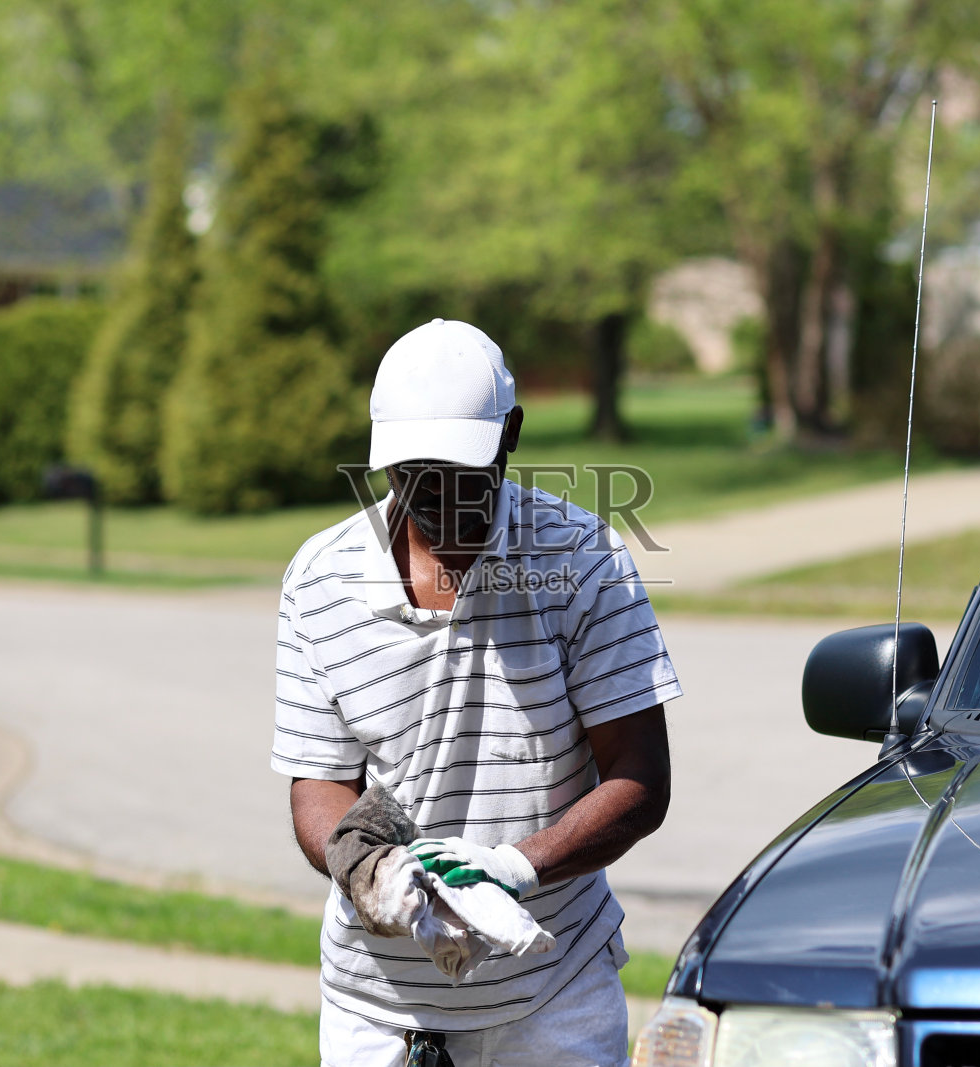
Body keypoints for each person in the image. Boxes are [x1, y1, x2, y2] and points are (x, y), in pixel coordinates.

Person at [271, 318, 681, 1067]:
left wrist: (514, 867)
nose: (437, 497)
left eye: (462, 472)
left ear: (511, 434)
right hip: (376, 1010)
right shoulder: (319, 578)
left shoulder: (585, 560)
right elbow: (319, 785)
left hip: (553, 1000)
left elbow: (640, 778)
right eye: (412, 472)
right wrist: (369, 867)